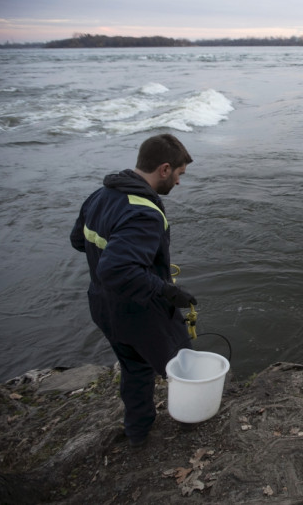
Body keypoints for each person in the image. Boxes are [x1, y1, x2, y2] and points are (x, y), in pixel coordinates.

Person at [70, 134, 198, 448]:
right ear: (165, 169)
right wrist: (167, 292)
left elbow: (79, 240)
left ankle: (138, 432)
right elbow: (117, 269)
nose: (179, 182)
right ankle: (193, 419)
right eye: (179, 174)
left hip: (103, 307)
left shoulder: (100, 195)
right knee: (183, 363)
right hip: (140, 311)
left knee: (135, 367)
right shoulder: (144, 213)